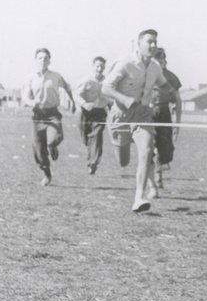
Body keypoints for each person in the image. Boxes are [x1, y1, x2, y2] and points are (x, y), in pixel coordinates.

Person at [101, 29, 177, 213]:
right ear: (139, 43)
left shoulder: (155, 67)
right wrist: (125, 100)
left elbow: (164, 84)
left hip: (143, 115)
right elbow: (105, 88)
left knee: (147, 150)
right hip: (120, 115)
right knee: (123, 161)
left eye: (155, 42)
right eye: (149, 42)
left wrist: (171, 92)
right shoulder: (125, 63)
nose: (153, 45)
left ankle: (139, 198)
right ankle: (120, 148)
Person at [22, 48, 76, 186]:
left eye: (46, 58)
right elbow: (25, 98)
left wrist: (73, 102)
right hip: (38, 115)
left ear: (49, 61)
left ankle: (53, 147)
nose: (43, 60)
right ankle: (46, 173)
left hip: (52, 114)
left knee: (54, 139)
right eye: (40, 58)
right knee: (38, 148)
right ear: (35, 60)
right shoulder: (30, 78)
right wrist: (33, 102)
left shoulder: (56, 76)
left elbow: (68, 88)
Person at [151, 47, 182, 188]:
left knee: (166, 149)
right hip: (148, 113)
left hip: (164, 112)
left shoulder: (170, 77)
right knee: (148, 146)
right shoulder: (145, 74)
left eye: (162, 61)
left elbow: (178, 101)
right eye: (156, 61)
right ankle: (155, 178)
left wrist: (178, 123)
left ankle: (160, 169)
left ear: (165, 62)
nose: (160, 64)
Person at [76, 56, 109, 175]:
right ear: (93, 66)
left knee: (96, 135)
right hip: (86, 112)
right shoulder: (86, 80)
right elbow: (77, 95)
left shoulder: (107, 81)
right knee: (86, 139)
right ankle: (92, 155)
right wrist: (85, 104)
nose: (99, 69)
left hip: (100, 112)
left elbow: (112, 95)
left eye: (102, 67)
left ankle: (93, 163)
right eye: (97, 66)